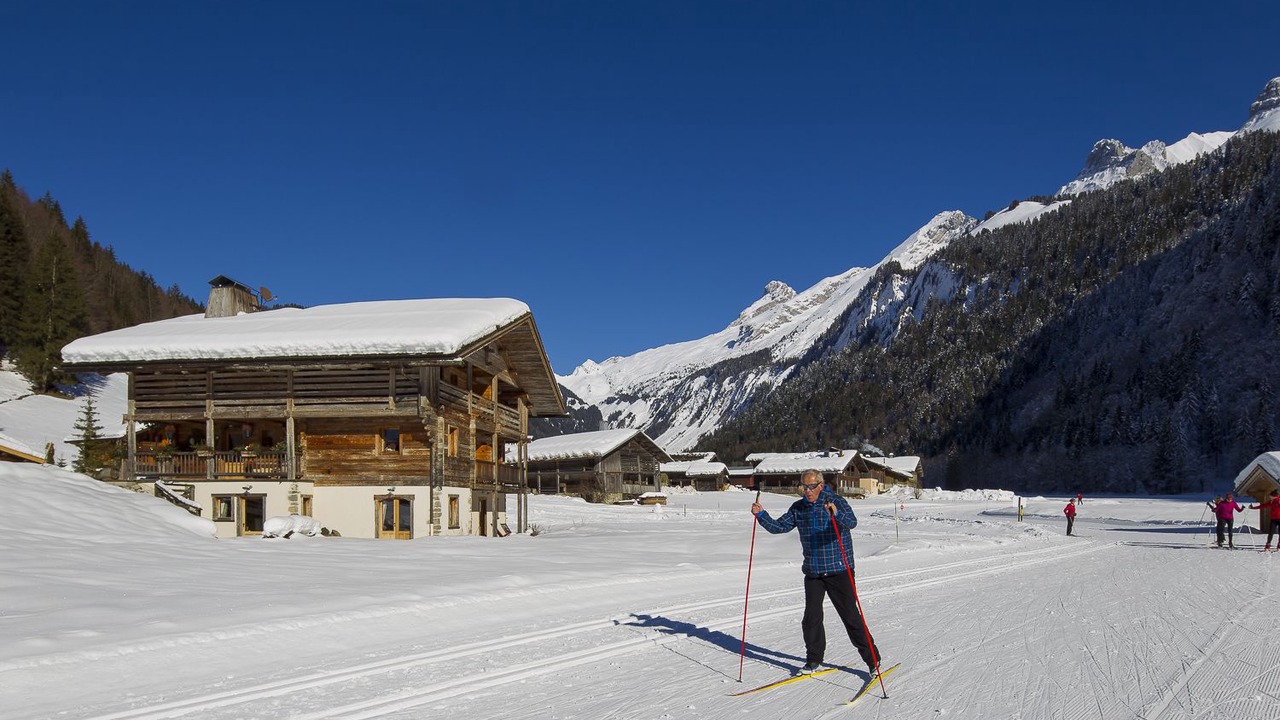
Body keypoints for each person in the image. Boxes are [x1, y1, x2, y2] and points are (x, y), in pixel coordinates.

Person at [751, 469, 882, 676]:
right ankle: (813, 660)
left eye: (811, 486)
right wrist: (761, 515)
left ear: (821, 485)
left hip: (839, 569)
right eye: (804, 487)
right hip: (813, 571)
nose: (807, 491)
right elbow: (779, 527)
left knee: (850, 617)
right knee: (811, 619)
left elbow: (851, 522)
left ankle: (873, 660)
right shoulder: (799, 508)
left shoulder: (835, 502)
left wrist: (836, 514)